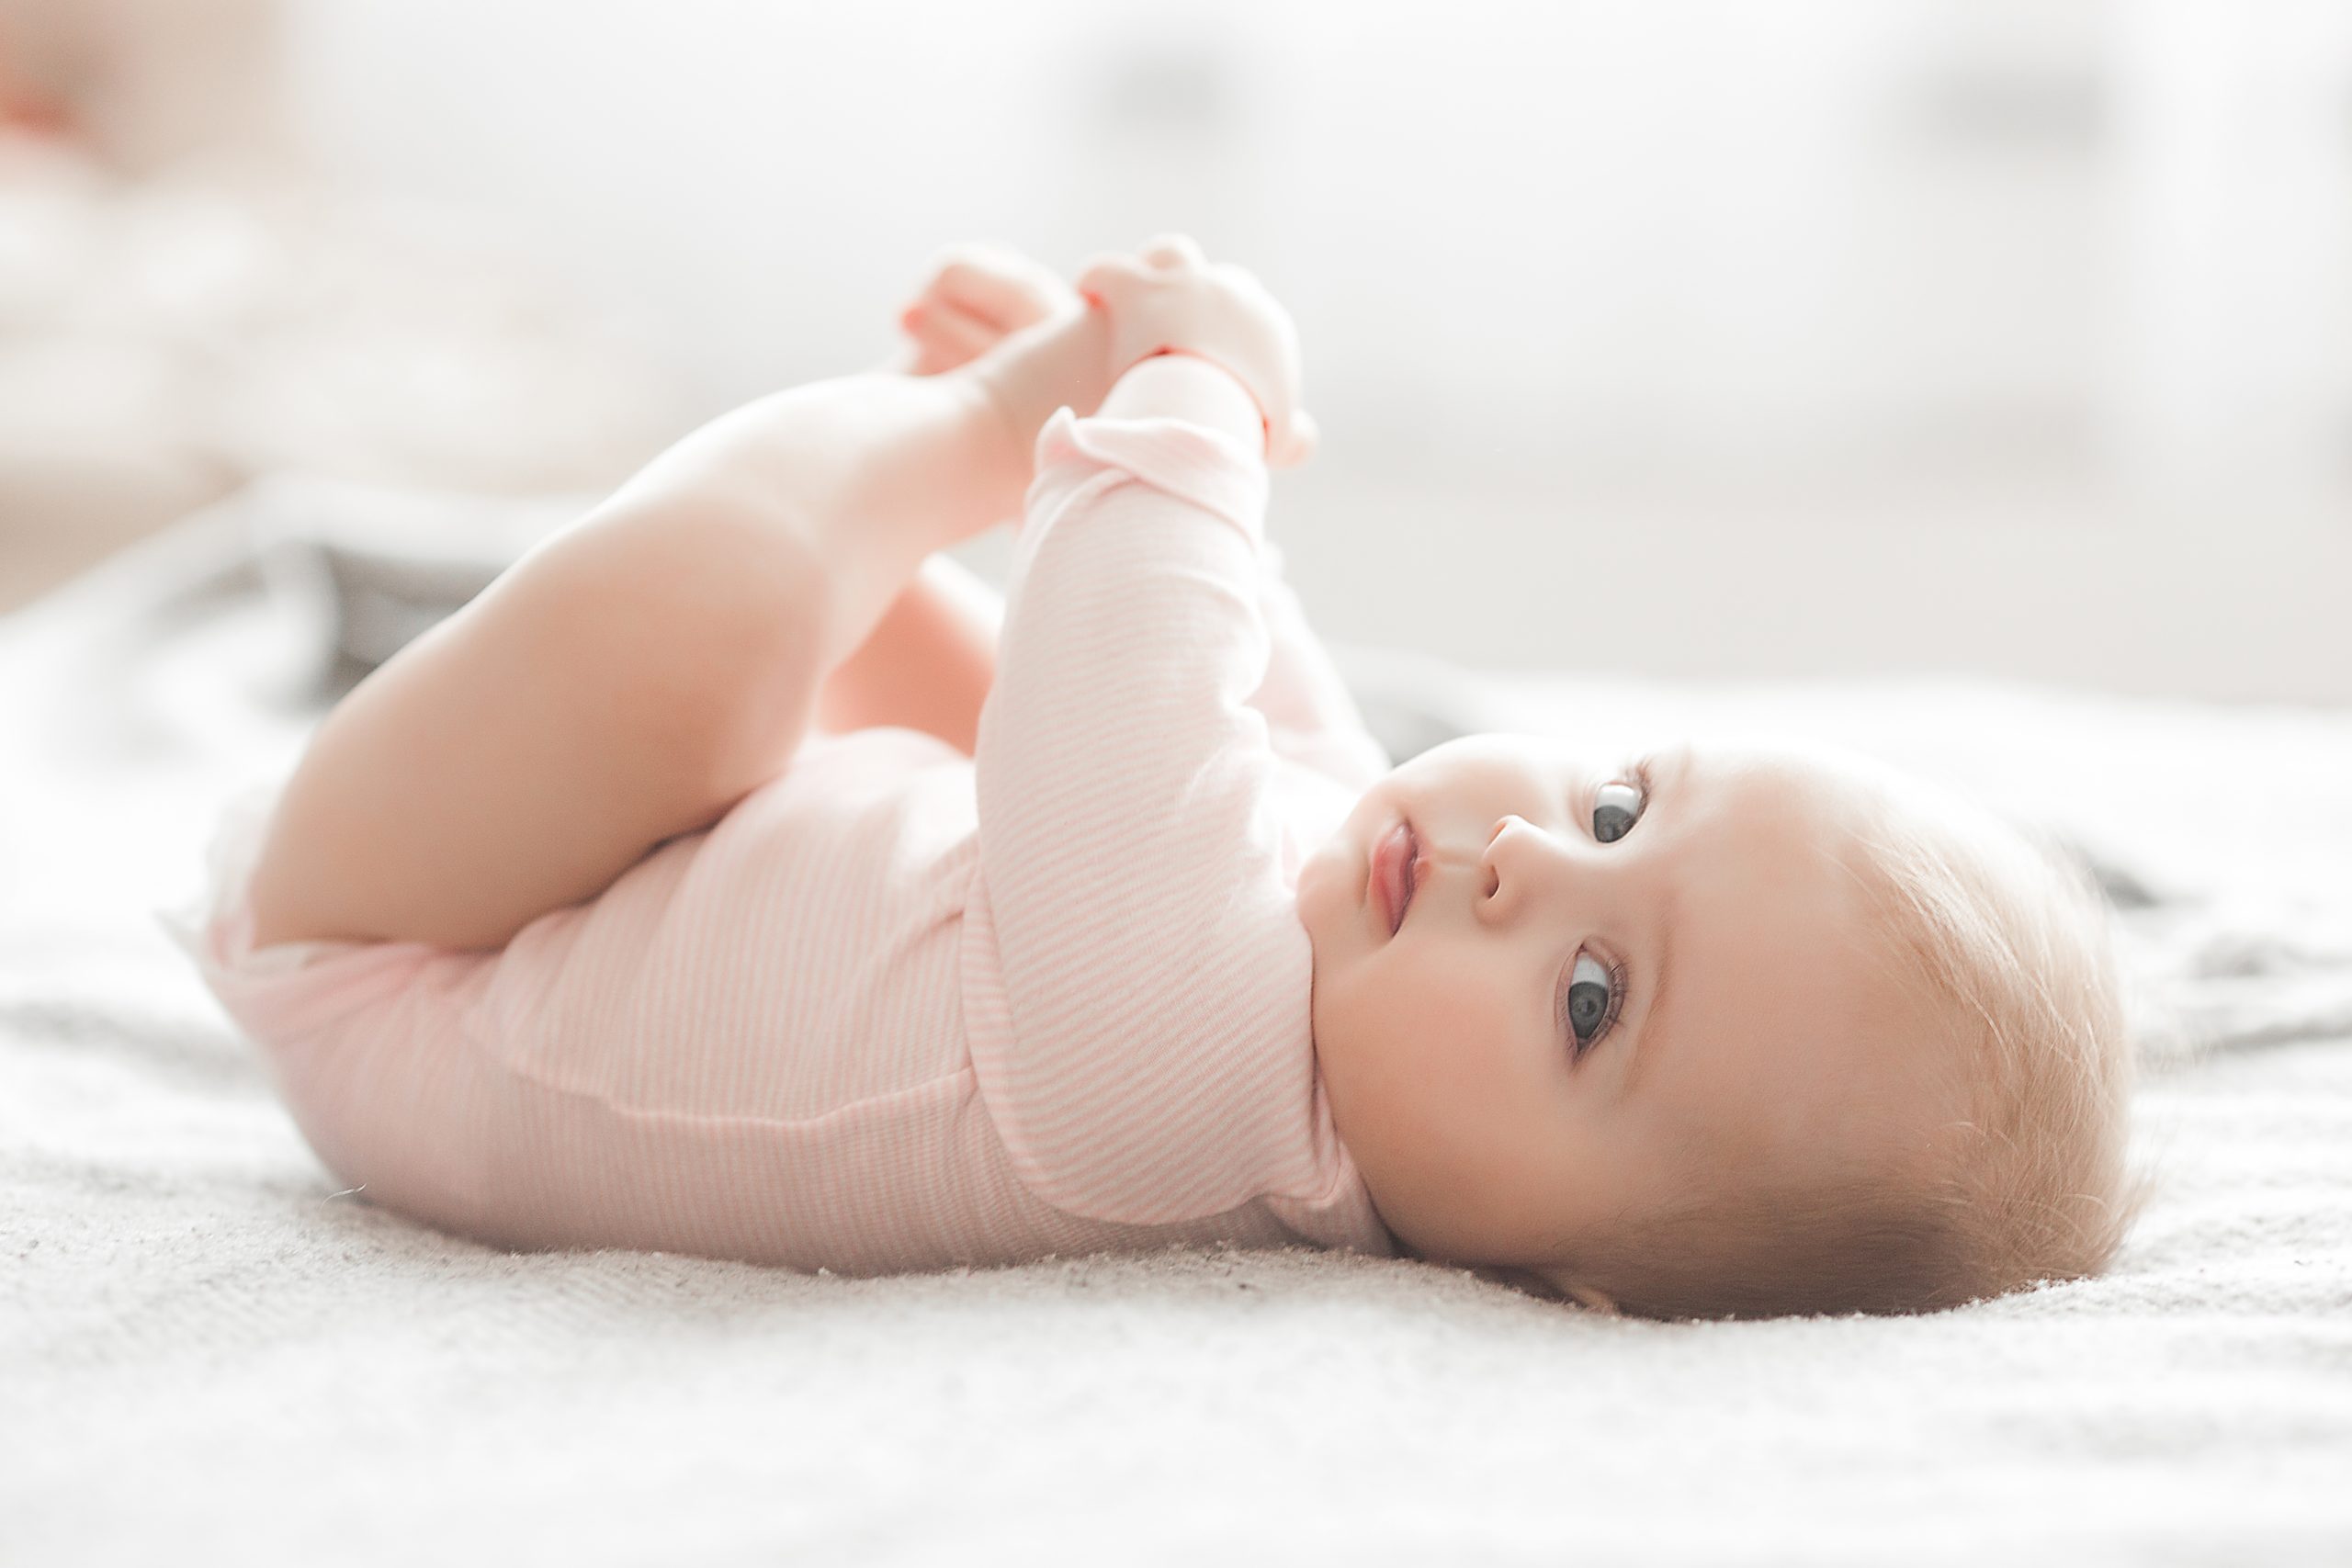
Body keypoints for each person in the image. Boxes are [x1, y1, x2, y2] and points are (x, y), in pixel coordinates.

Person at [164, 236, 2139, 1319]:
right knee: (943, 673)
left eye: (1591, 998)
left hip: (404, 932)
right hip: (670, 874)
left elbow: (1129, 679)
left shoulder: (1185, 1111)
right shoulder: (1351, 954)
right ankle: (967, 482)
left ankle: (950, 434)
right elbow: (1246, 703)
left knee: (735, 596)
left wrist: (1167, 404)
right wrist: (1147, 483)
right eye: (1620, 803)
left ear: (1571, 1279)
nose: (1520, 856)